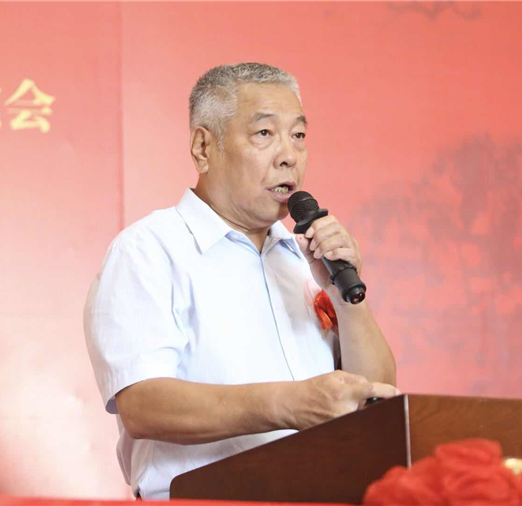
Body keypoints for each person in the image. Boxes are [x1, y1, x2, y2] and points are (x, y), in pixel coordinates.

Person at [83, 62, 398, 500]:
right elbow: (143, 404)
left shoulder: (305, 258)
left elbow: (378, 399)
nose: (289, 155)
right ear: (203, 148)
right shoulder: (149, 250)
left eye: (298, 135)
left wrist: (347, 299)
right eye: (264, 134)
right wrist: (289, 405)